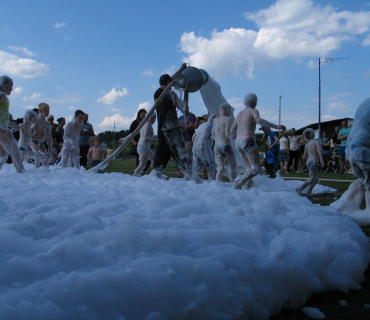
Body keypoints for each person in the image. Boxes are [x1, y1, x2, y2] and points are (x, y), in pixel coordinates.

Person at [230, 93, 285, 189]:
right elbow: (259, 120)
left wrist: (237, 137)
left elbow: (232, 131)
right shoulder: (253, 111)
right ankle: (238, 182)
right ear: (255, 103)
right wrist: (277, 127)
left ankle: (248, 186)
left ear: (244, 103)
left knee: (248, 168)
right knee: (255, 168)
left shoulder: (239, 114)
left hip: (238, 142)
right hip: (248, 140)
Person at [150, 63, 195, 180]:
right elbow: (185, 109)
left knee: (162, 152)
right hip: (171, 129)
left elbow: (169, 81)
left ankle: (156, 173)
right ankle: (190, 175)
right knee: (181, 150)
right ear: (169, 83)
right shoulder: (170, 94)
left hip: (161, 129)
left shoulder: (157, 93)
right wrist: (187, 91)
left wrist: (180, 70)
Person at [332, 98, 370, 212]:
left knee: (361, 180)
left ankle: (343, 206)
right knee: (369, 183)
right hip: (363, 149)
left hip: (350, 148)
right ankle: (369, 212)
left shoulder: (365, 103)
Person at [0, 75, 25, 173]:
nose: (12, 89)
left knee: (4, 155)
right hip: (2, 130)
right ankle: (22, 173)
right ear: (5, 86)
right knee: (15, 152)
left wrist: (10, 123)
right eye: (11, 86)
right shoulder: (1, 95)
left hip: (3, 128)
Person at [212, 103, 237, 182]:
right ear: (227, 110)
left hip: (217, 145)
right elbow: (227, 134)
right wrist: (236, 136)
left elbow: (213, 134)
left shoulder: (215, 120)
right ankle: (234, 181)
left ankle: (218, 183)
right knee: (233, 164)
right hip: (225, 144)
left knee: (220, 166)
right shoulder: (228, 119)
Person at [295, 128, 324, 196]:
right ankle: (300, 188)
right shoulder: (316, 142)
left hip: (309, 161)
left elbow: (304, 156)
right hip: (314, 161)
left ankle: (308, 191)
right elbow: (319, 151)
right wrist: (322, 160)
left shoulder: (307, 145)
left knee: (315, 179)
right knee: (312, 179)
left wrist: (303, 161)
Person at [192, 114, 217, 180]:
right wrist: (202, 146)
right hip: (204, 148)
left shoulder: (201, 125)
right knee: (211, 164)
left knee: (196, 165)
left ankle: (194, 180)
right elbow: (204, 137)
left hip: (195, 147)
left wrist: (195, 144)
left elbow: (193, 137)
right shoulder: (210, 126)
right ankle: (212, 180)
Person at [133, 112, 158, 177]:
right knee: (155, 160)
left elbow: (135, 133)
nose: (155, 121)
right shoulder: (148, 124)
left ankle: (135, 176)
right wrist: (156, 138)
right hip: (144, 147)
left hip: (141, 146)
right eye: (154, 119)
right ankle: (155, 175)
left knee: (142, 164)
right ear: (151, 118)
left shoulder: (144, 124)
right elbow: (146, 135)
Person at [130, 109, 151, 174]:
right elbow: (130, 134)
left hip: (145, 143)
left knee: (149, 158)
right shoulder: (135, 123)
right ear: (139, 115)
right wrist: (134, 143)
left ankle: (142, 171)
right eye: (143, 114)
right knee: (140, 157)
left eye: (145, 114)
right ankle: (138, 173)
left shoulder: (146, 123)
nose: (144, 115)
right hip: (137, 144)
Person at [31, 102, 52, 168]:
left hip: (41, 142)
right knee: (38, 157)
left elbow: (49, 138)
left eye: (48, 110)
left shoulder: (47, 124)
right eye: (45, 110)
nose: (47, 112)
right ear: (40, 111)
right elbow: (29, 134)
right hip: (33, 141)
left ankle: (46, 174)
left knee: (45, 160)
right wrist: (40, 137)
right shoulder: (36, 120)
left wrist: (50, 152)